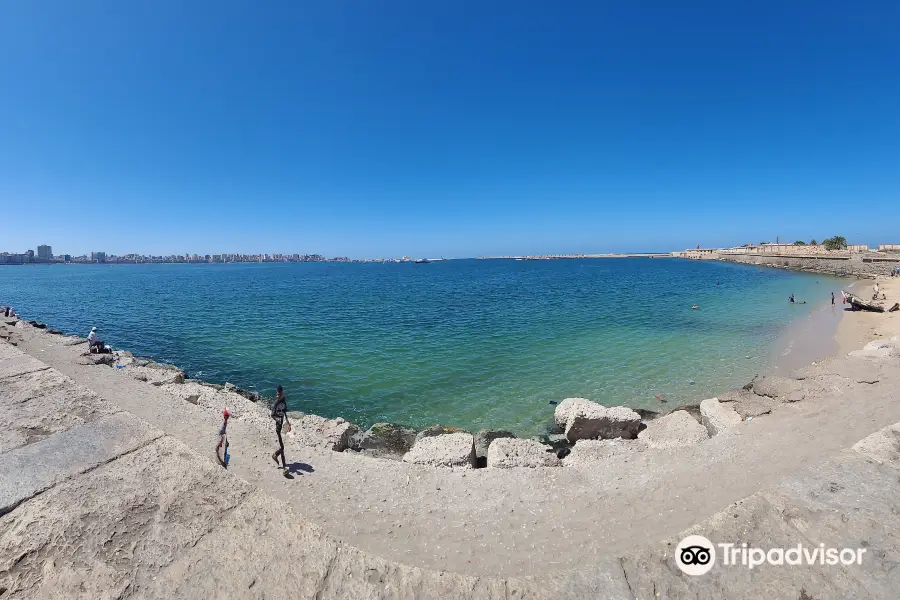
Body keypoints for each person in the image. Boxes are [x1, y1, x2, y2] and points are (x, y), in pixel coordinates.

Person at [271, 385, 291, 473]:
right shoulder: (276, 403)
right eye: (277, 394)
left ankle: (276, 456)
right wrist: (278, 419)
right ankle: (283, 467)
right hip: (278, 427)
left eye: (279, 394)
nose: (278, 396)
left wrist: (287, 422)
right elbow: (272, 415)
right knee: (282, 447)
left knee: (282, 447)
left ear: (282, 393)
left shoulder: (283, 400)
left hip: (283, 425)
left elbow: (285, 411)